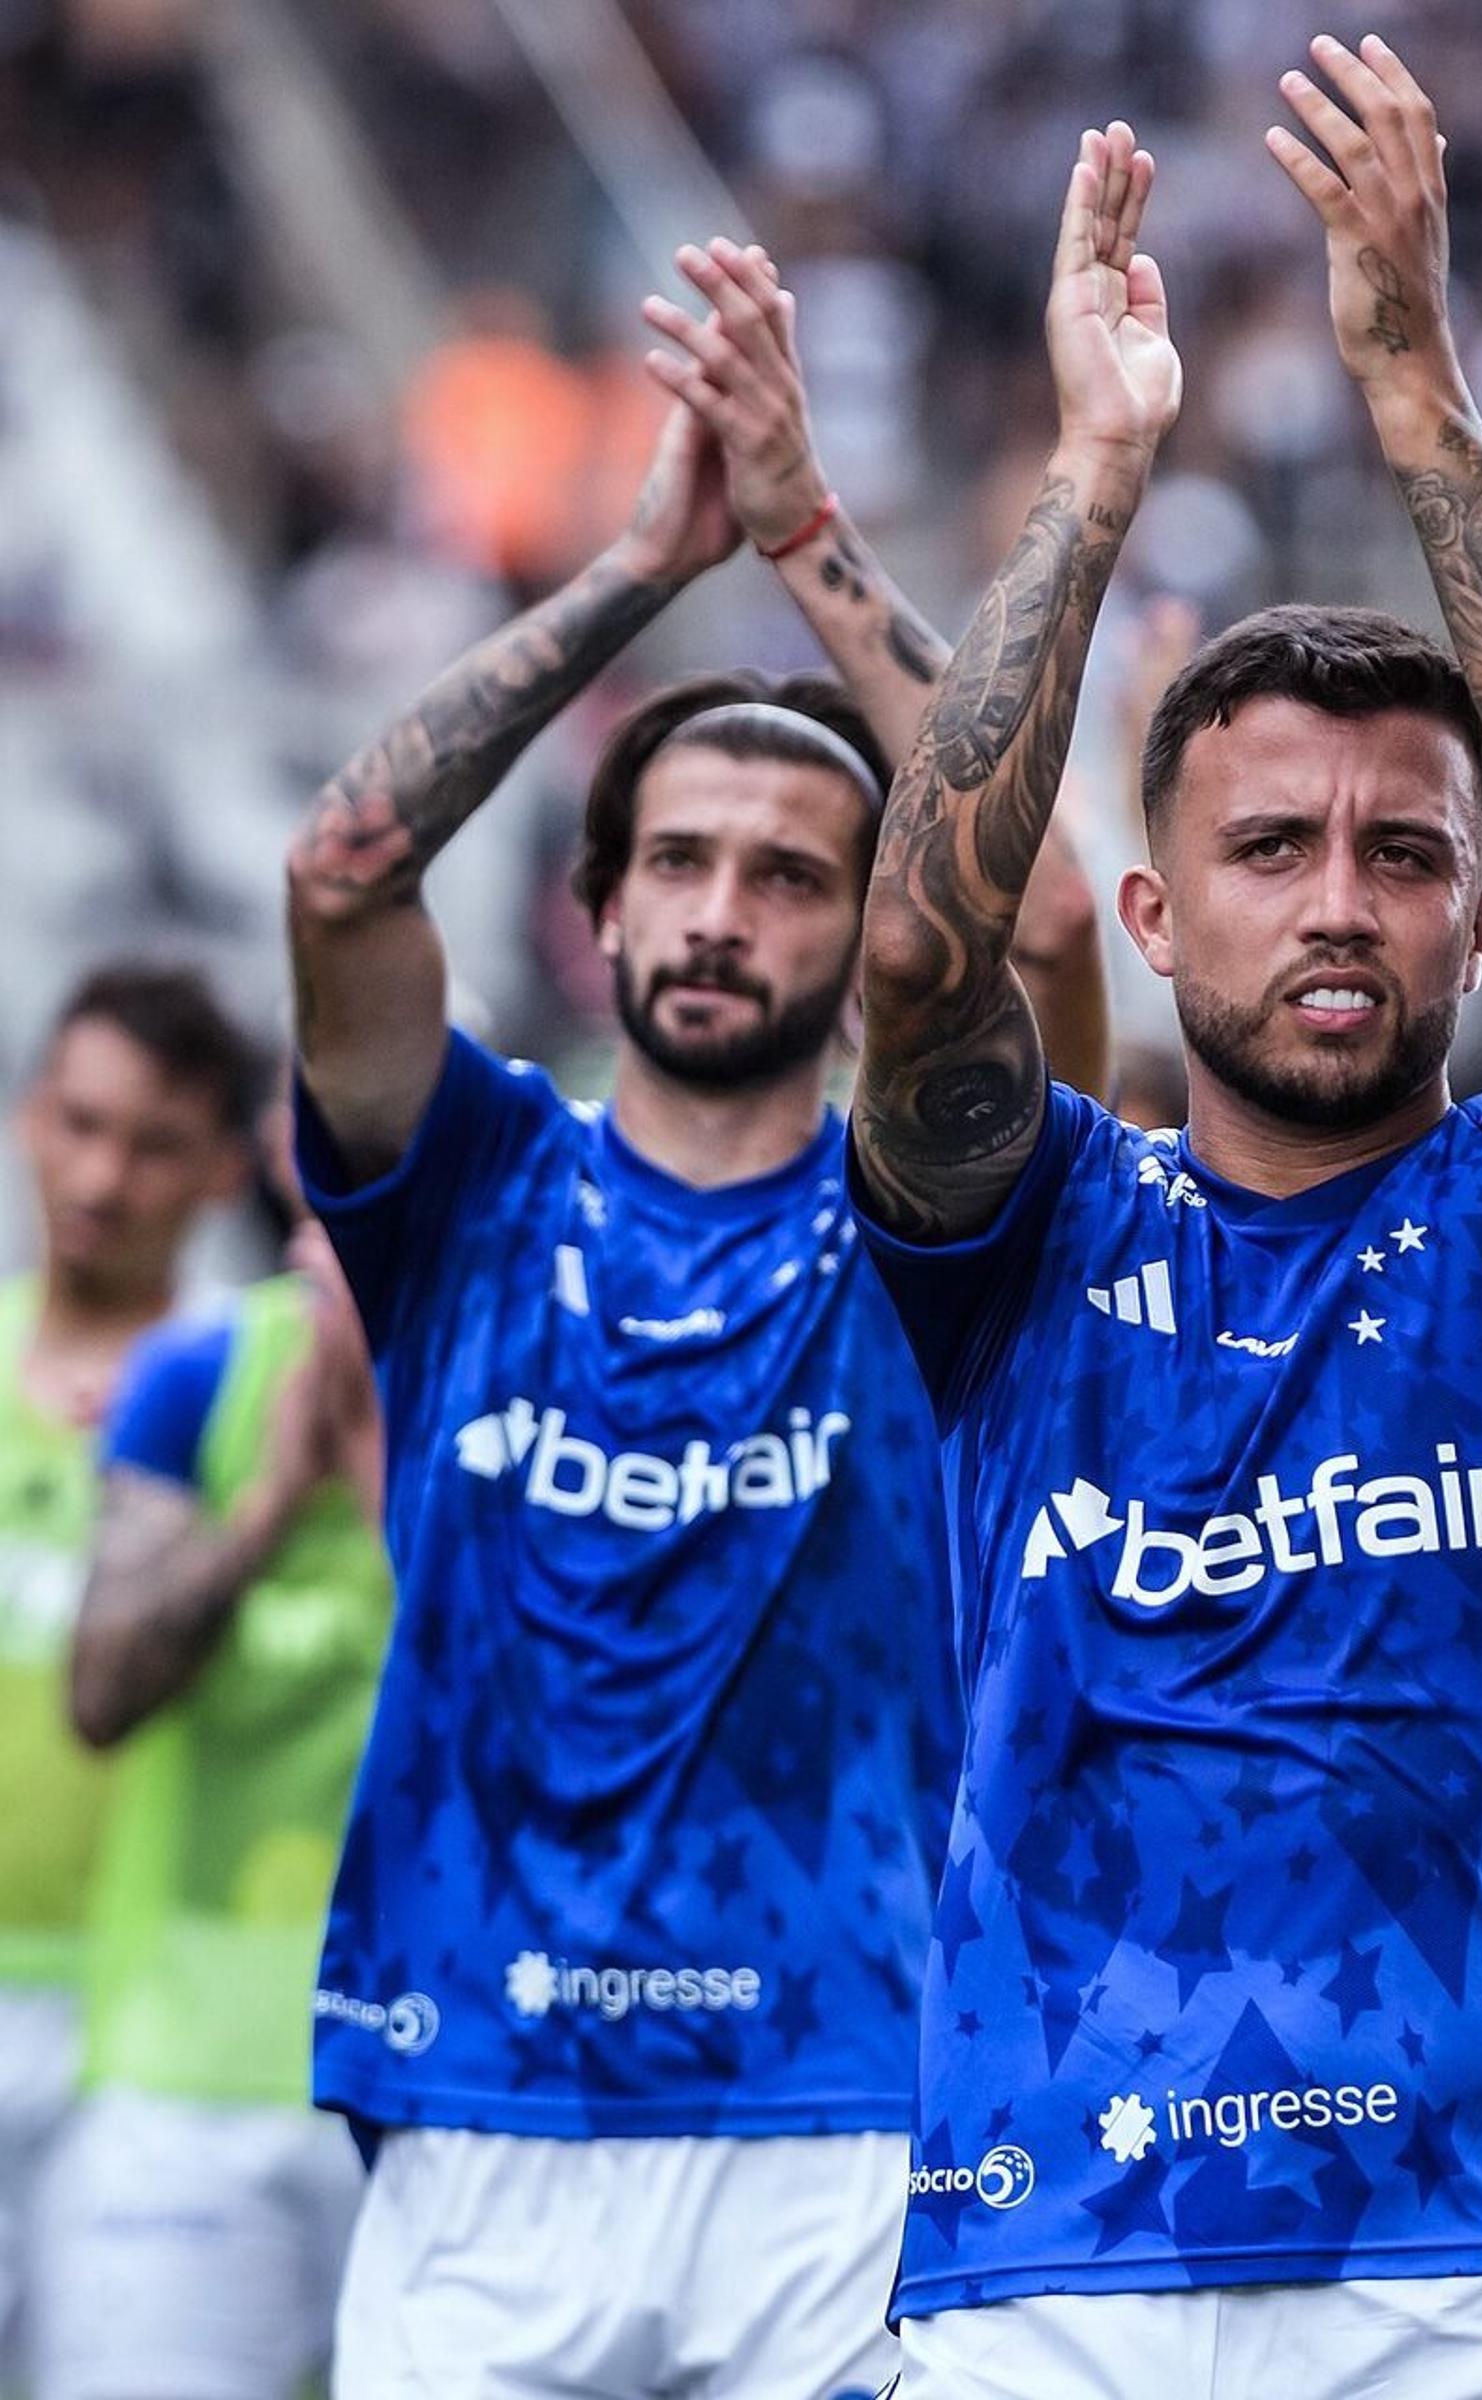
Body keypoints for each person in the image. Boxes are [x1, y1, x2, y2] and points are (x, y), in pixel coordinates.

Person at [846, 68, 1482, 2394]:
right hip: (1041, 2260)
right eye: (1269, 846)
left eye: (1403, 850)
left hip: (1468, 2260)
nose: (1339, 897)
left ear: (1477, 920)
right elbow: (920, 965)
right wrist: (1096, 469)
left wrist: (1415, 383)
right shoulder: (1027, 1229)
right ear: (1147, 913)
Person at [278, 231, 1098, 2391]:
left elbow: (1051, 920)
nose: (726, 912)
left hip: (837, 2111)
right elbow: (346, 875)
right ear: (599, 905)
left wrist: (810, 541)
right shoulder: (469, 1188)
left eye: (795, 873)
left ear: (859, 935)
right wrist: (648, 563)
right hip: (476, 2094)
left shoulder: (939, 1228)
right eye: (682, 862)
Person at [45, 1138, 391, 2400]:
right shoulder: (199, 1375)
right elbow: (102, 1693)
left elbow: (550, 1734)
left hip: (425, 2103)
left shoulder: (517, 1407)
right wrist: (268, 1502)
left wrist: (372, 1481)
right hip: (183, 2095)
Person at [0, 965, 262, 2389]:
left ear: (226, 1166)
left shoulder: (248, 1392)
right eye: (79, 1124)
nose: (102, 1178)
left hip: (141, 2033)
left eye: (153, 1143)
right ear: (31, 1117)